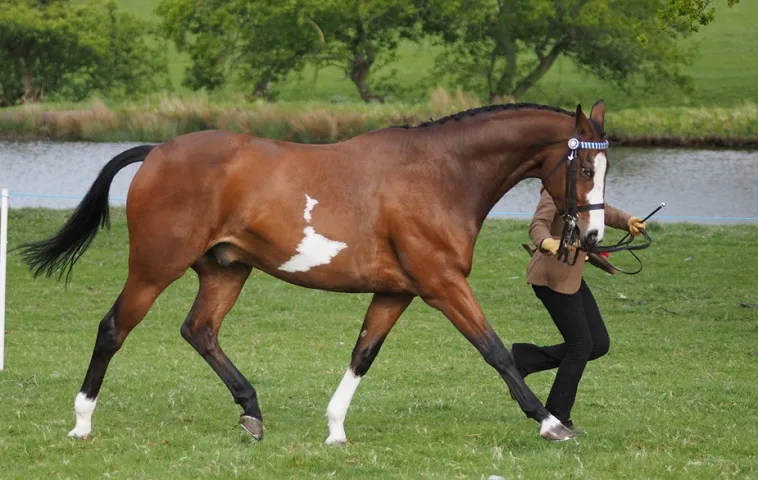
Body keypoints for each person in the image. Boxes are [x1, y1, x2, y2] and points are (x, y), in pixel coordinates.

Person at [512, 188, 646, 434]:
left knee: (598, 343)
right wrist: (546, 241)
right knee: (581, 345)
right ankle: (556, 418)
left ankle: (524, 360)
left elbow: (600, 209)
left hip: (571, 277)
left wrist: (627, 220)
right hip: (550, 278)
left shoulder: (583, 186)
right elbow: (538, 224)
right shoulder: (556, 189)